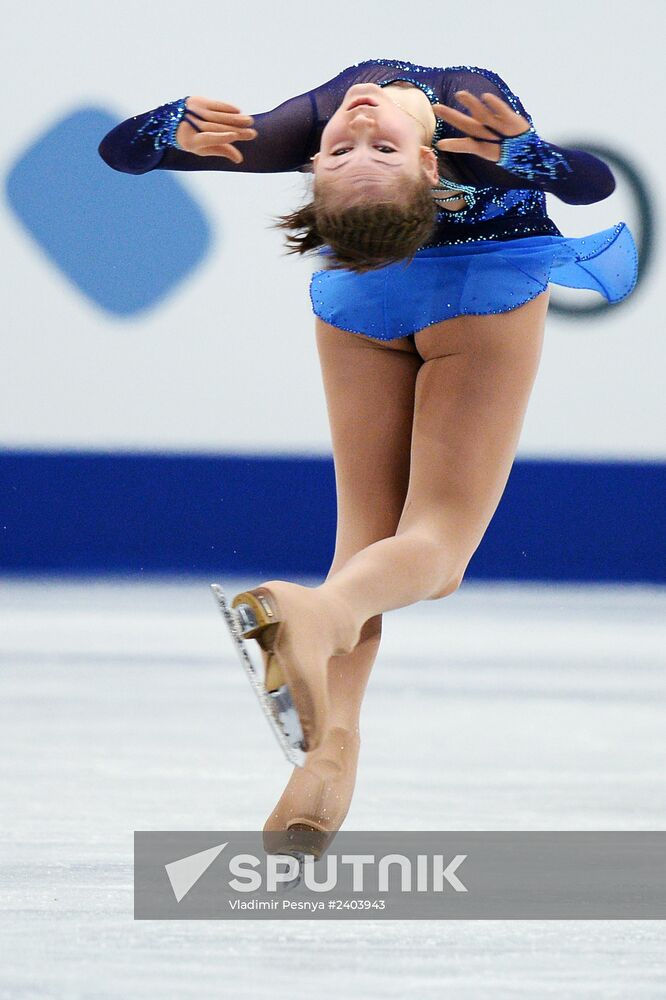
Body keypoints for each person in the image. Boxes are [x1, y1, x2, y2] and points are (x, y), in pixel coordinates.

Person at [99, 57, 638, 853]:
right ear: (427, 163)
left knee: (365, 548)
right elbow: (588, 184)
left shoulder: (318, 116)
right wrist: (528, 157)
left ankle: (328, 764)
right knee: (438, 547)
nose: (353, 132)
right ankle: (315, 614)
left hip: (364, 300)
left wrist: (159, 129)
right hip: (479, 292)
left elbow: (124, 154)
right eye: (360, 153)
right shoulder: (456, 124)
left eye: (353, 153)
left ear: (311, 166)